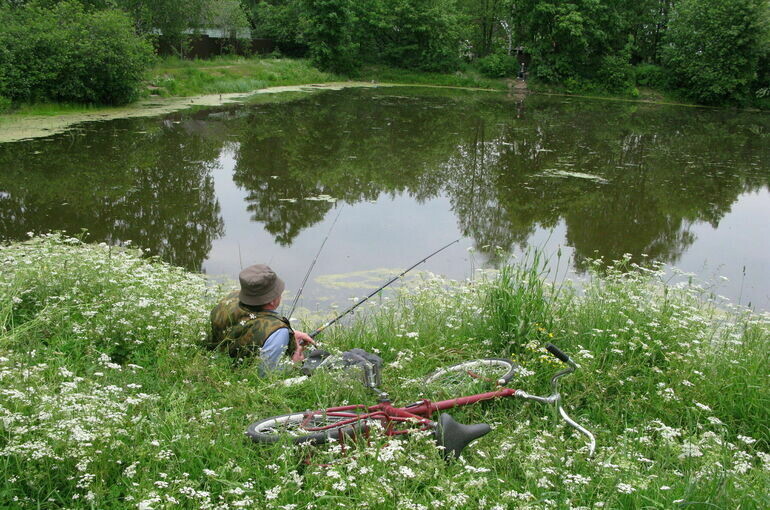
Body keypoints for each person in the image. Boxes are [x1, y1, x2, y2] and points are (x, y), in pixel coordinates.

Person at [208, 264, 314, 368]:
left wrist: (292, 333)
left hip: (220, 355)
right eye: (279, 292)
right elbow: (265, 372)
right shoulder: (278, 332)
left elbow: (243, 324)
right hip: (238, 369)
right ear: (272, 301)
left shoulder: (229, 299)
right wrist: (294, 363)